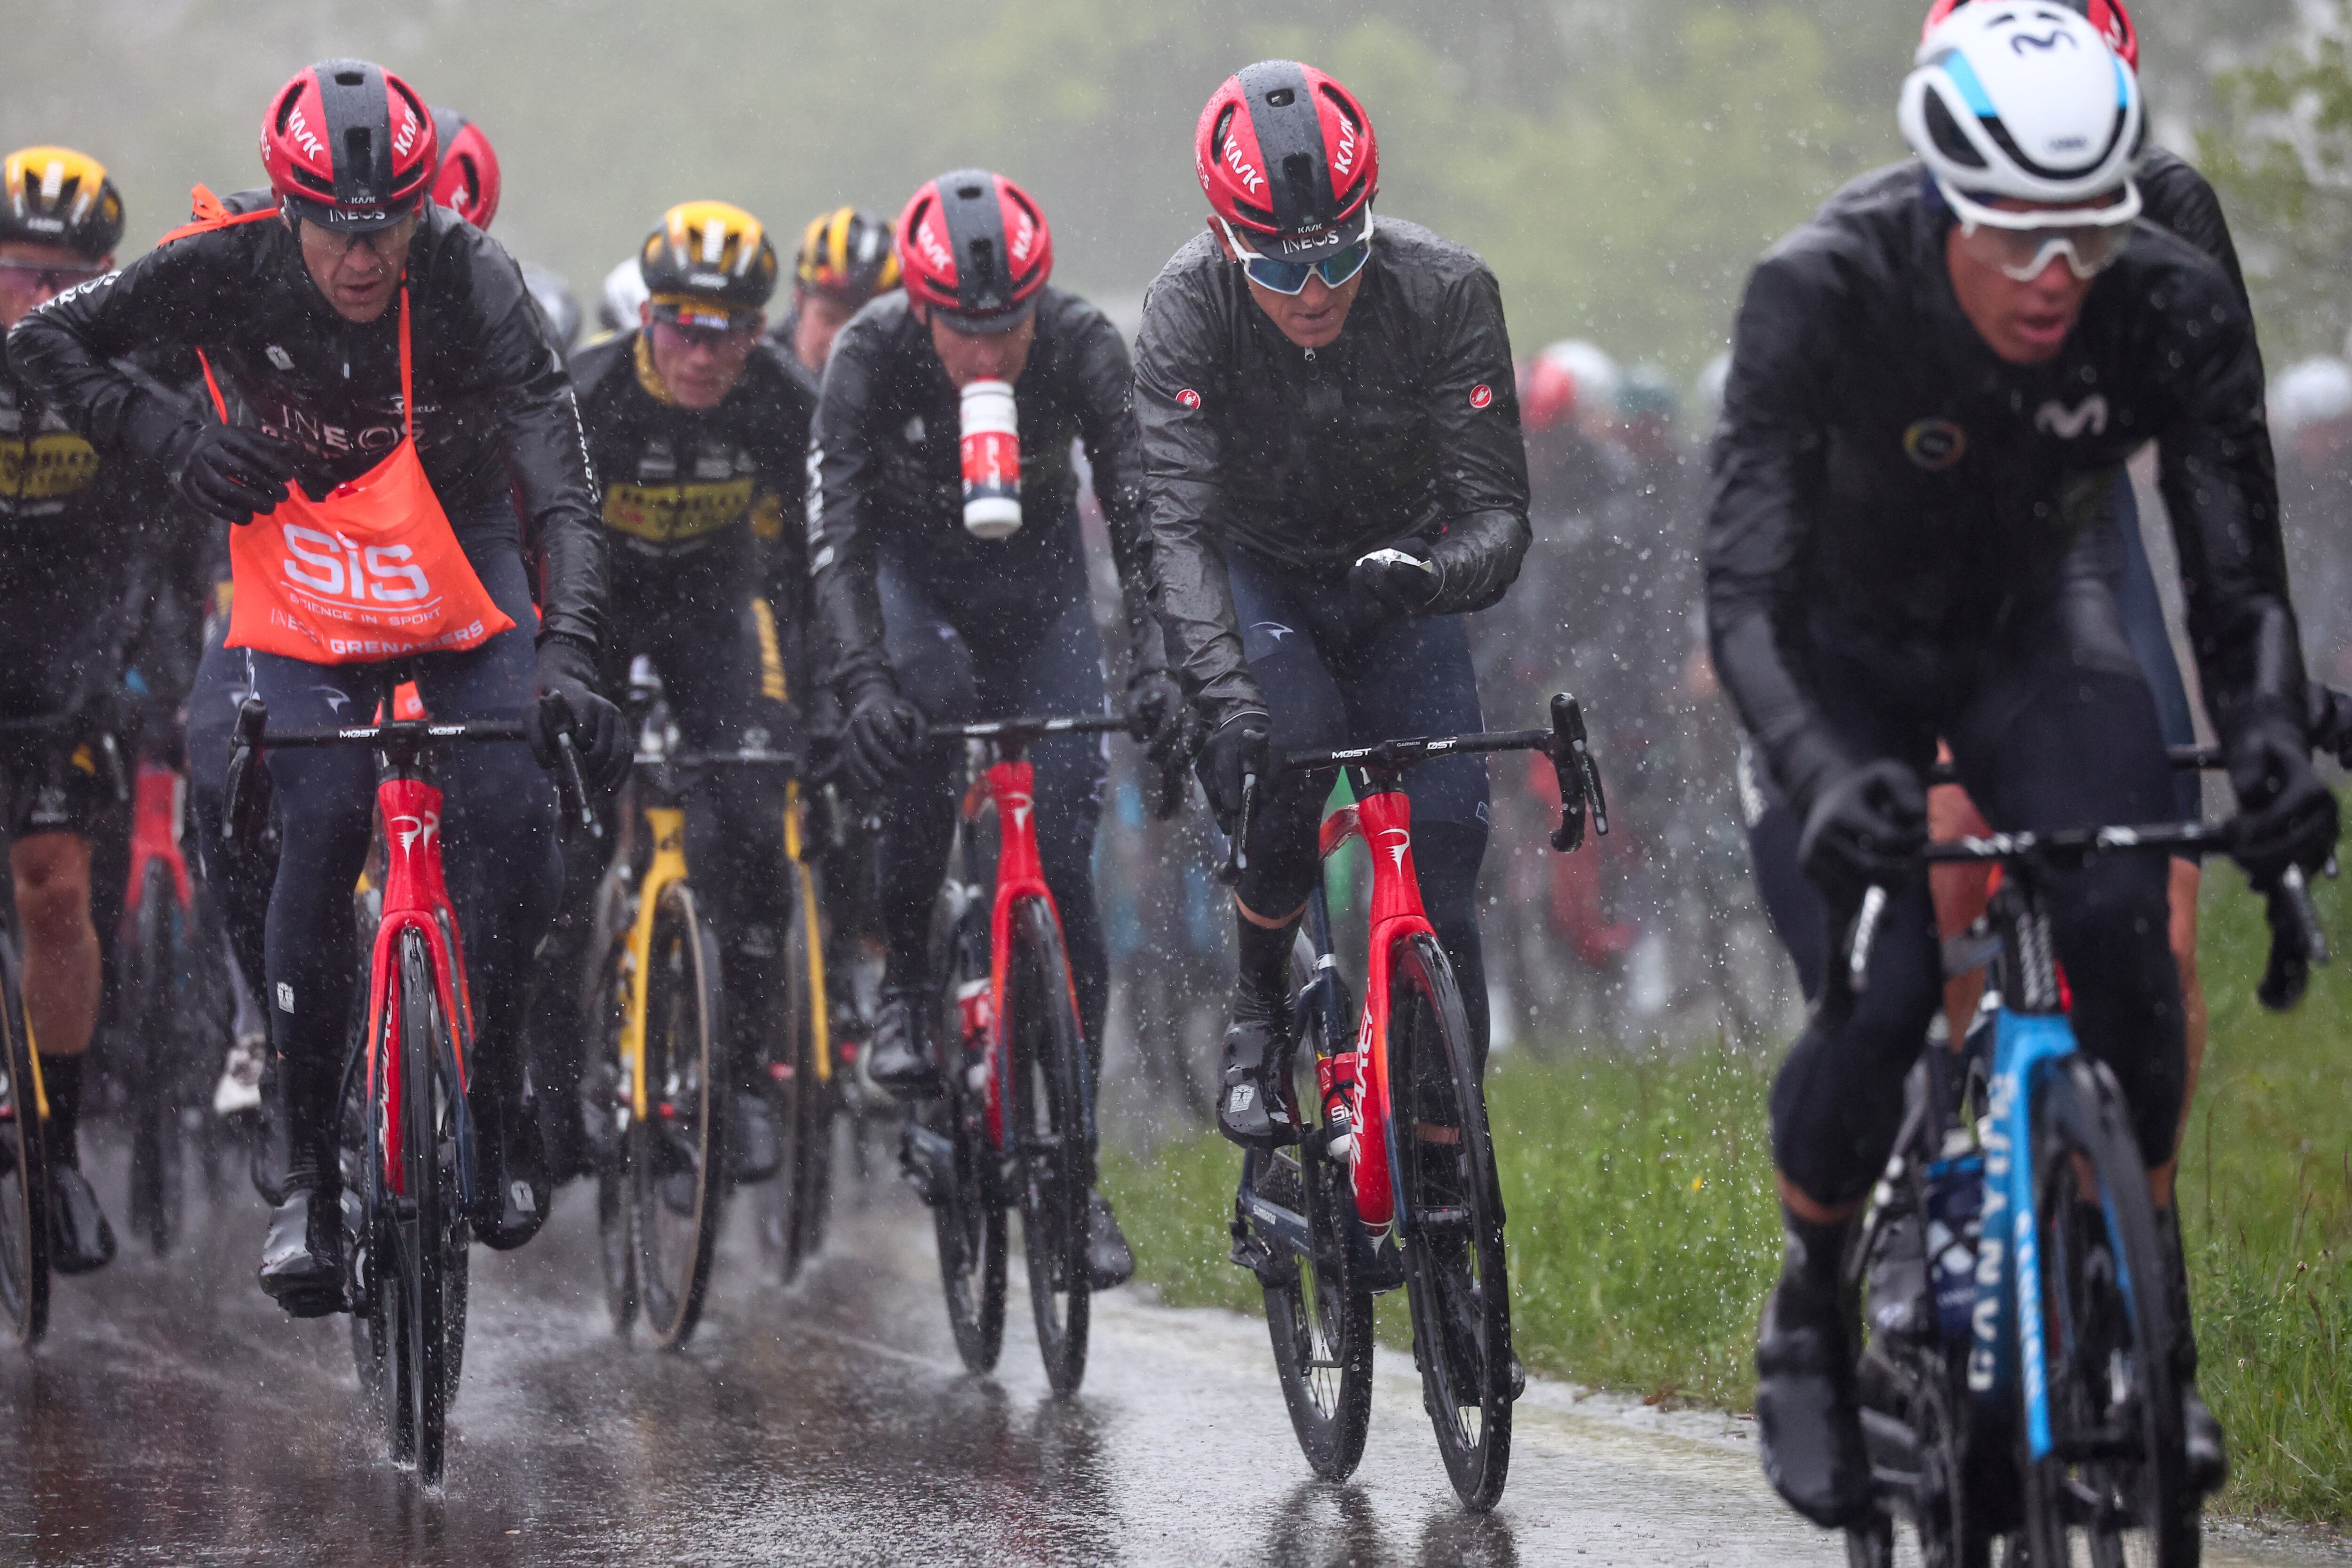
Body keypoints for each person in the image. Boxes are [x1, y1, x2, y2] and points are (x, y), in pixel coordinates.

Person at [1706, 6, 2335, 1528]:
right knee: (1893, 986)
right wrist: (1821, 767)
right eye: (2019, 237)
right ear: (1942, 197)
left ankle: (2140, 1335)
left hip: (2026, 632)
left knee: (2128, 914)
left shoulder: (2165, 296)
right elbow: (1743, 596)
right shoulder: (1820, 289)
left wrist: (2263, 735)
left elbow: (2232, 566)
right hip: (1838, 659)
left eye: (2089, 234)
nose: (2059, 274)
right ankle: (1811, 1308)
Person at [10, 59, 623, 1317]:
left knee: (513, 807)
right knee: (321, 811)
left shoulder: (473, 276)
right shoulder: (222, 261)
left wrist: (569, 651)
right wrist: (169, 437)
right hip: (303, 568)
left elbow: (561, 478)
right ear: (289, 203)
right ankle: (308, 1169)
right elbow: (43, 338)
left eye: (391, 221)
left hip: (460, 564)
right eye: (339, 225)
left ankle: (496, 1088)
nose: (365, 251)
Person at [1133, 61, 1530, 1148]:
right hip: (1258, 569)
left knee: (1446, 849)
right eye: (1276, 265)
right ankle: (1259, 1012)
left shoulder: (1445, 288)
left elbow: (1498, 515)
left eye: (1339, 256)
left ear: (1370, 220)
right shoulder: (1185, 307)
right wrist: (1219, 692)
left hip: (1400, 574)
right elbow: (1175, 533)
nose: (1311, 292)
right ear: (1225, 240)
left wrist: (1433, 578)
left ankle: (1445, 1144)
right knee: (1293, 751)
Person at [809, 167, 1187, 1289]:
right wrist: (863, 679)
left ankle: (1078, 1180)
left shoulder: (1079, 346)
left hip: (1040, 596)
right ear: (920, 310)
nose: (990, 353)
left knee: (1066, 840)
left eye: (1009, 327)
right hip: (911, 586)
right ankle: (912, 992)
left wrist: (1160, 660)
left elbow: (1138, 512)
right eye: (966, 331)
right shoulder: (868, 356)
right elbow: (832, 534)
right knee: (920, 730)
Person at [550, 200, 813, 1184]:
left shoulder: (787, 400)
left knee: (750, 819)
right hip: (598, 607)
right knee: (563, 844)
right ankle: (551, 1078)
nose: (705, 355)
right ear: (649, 318)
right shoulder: (589, 396)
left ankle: (742, 1077)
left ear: (758, 330)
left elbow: (813, 566)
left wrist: (823, 699)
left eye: (732, 332)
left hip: (716, 607)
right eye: (683, 329)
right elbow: (542, 541)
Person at [0, 143, 147, 1274]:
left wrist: (141, 660)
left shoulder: (131, 364)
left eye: (69, 278)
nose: (41, 299)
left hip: (68, 636)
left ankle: (52, 1154)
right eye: (20, 272)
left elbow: (166, 533)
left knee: (57, 886)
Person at [772, 207, 899, 386]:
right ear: (799, 300)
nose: (841, 342)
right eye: (830, 319)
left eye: (869, 326)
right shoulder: (750, 375)